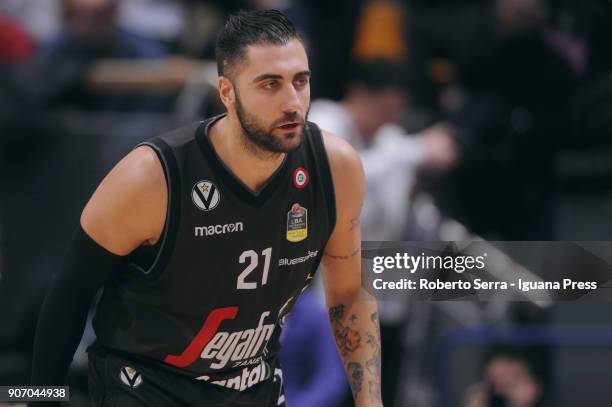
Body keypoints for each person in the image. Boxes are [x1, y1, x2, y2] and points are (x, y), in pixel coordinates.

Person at [30, 9, 382, 407]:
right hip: (145, 386)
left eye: (300, 82)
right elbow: (69, 291)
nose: (292, 102)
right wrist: (39, 399)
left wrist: (371, 402)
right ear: (227, 93)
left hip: (252, 385)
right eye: (270, 85)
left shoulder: (335, 168)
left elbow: (350, 294)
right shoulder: (152, 177)